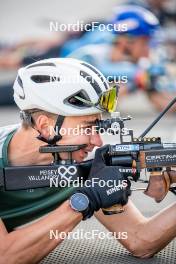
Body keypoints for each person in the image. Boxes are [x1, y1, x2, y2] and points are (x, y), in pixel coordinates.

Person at [0, 58, 175, 264]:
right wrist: (84, 201)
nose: (98, 141)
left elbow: (140, 240)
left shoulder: (79, 160)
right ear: (46, 127)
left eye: (98, 127)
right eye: (87, 128)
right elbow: (6, 257)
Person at [68, 5, 176, 112]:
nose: (149, 49)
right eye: (145, 43)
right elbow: (99, 106)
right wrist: (138, 77)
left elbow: (165, 105)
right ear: (126, 41)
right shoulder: (89, 55)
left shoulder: (137, 67)